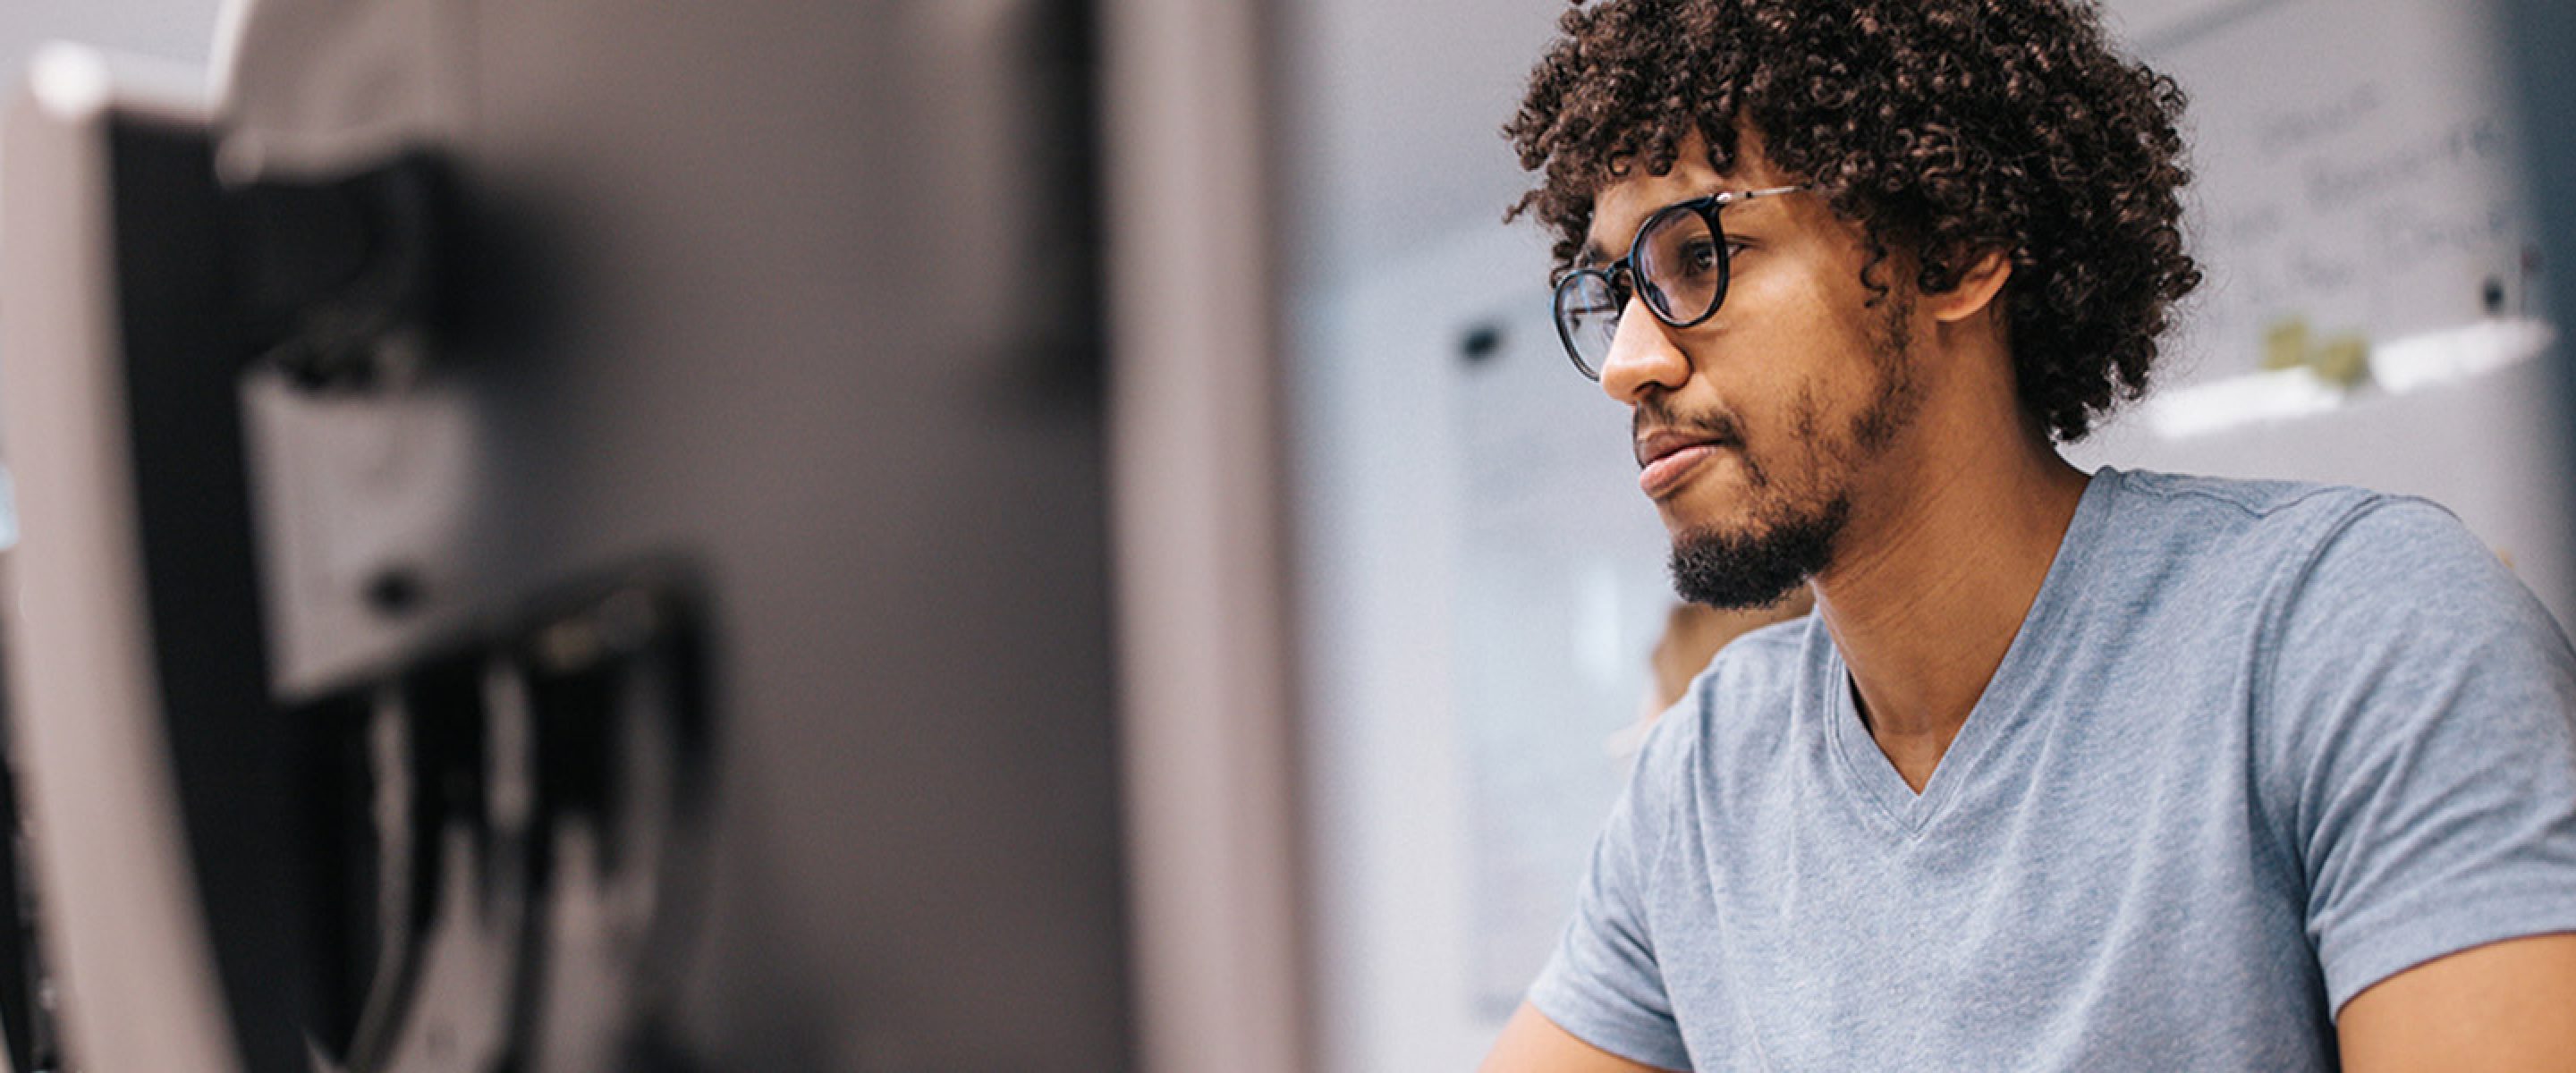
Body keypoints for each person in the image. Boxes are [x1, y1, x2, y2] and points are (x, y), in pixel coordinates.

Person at [1479, 1, 2576, 1069]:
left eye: (1699, 255)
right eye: (1614, 292)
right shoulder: (1706, 780)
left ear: (1956, 250)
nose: (1629, 364)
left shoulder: (2354, 634)